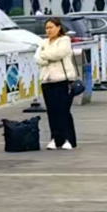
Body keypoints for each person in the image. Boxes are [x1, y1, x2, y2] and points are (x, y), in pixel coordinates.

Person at [36, 17, 79, 151]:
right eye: (47, 28)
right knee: (52, 111)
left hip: (63, 81)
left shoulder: (64, 40)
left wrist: (45, 55)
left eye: (51, 27)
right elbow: (37, 58)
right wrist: (45, 57)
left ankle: (69, 139)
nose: (48, 30)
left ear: (58, 27)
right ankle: (55, 138)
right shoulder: (43, 42)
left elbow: (59, 54)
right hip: (47, 81)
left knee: (63, 111)